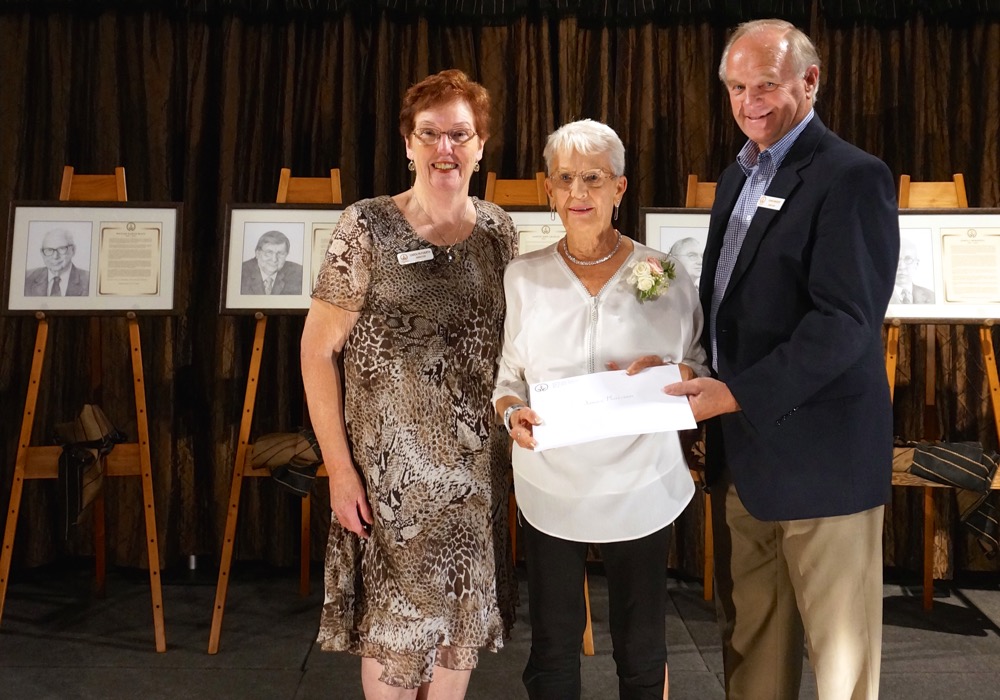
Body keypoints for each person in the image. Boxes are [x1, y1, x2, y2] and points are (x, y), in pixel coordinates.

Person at [664, 19, 899, 699]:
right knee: (752, 651)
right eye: (736, 87)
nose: (749, 101)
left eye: (765, 85)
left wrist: (733, 393)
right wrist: (697, 367)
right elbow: (734, 308)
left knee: (841, 668)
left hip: (824, 466)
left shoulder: (853, 177)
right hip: (747, 460)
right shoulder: (737, 177)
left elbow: (845, 324)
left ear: (809, 81)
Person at [300, 69, 517, 700]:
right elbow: (317, 352)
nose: (444, 148)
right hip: (389, 489)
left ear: (480, 146)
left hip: (476, 484)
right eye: (430, 134)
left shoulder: (499, 233)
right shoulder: (365, 227)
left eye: (459, 134)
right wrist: (339, 471)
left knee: (455, 651)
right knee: (394, 661)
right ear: (408, 143)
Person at [493, 118, 708, 700]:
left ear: (620, 188)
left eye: (593, 178)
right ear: (547, 190)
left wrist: (678, 374)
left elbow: (700, 365)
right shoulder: (523, 277)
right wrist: (513, 410)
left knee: (641, 646)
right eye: (564, 179)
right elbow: (508, 374)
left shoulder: (663, 274)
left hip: (640, 480)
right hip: (551, 482)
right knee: (553, 646)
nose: (578, 193)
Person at [24, 227, 90, 296]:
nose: (55, 256)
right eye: (49, 250)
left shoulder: (89, 281)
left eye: (61, 249)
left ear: (73, 250)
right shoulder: (27, 278)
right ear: (42, 253)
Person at [241, 229, 303, 295]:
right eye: (269, 252)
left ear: (286, 254)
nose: (274, 259)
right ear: (257, 253)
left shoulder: (299, 273)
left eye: (280, 253)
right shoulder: (241, 273)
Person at [890, 237, 935, 304]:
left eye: (908, 259)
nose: (902, 266)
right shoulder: (878, 295)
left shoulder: (931, 296)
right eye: (896, 259)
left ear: (916, 264)